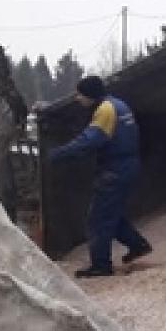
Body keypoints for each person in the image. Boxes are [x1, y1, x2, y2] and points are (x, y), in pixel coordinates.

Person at [49, 76, 152, 278]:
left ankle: (101, 265)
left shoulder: (105, 110)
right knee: (110, 212)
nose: (77, 98)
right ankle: (138, 245)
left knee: (97, 219)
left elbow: (90, 140)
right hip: (128, 164)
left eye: (79, 94)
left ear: (89, 94)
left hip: (115, 168)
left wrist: (59, 154)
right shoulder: (120, 105)